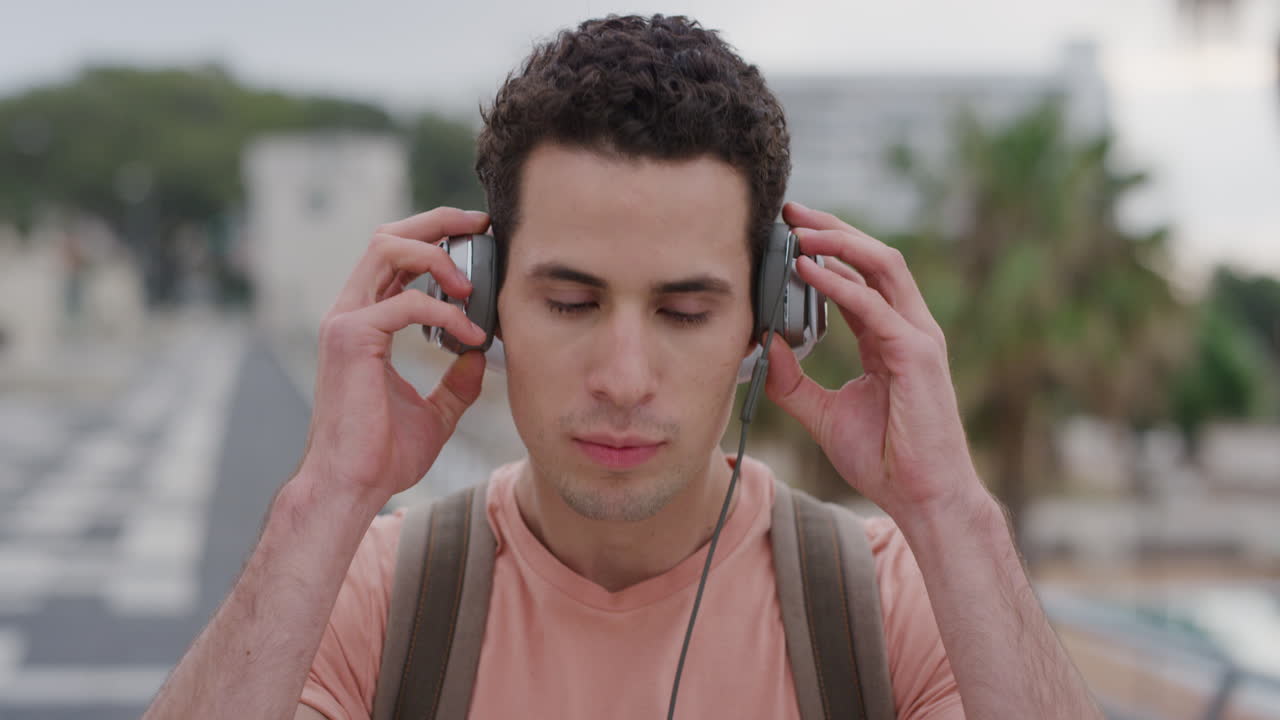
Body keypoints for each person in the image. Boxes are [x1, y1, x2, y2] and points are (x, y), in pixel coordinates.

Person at [143, 14, 1103, 720]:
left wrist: (951, 511)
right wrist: (326, 500)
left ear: (771, 318)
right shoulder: (371, 603)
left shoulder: (884, 609)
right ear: (479, 303)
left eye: (686, 311)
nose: (623, 376)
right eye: (570, 303)